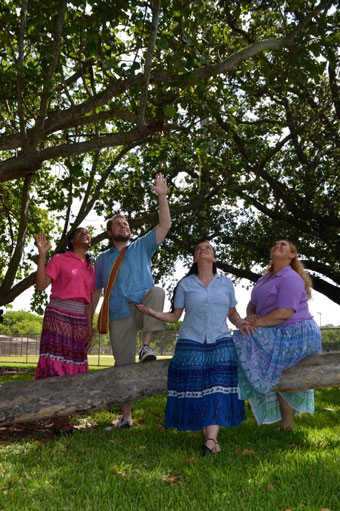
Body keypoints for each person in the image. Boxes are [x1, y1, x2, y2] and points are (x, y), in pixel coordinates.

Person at [137, 241, 249, 455]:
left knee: (217, 387)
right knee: (199, 390)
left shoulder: (226, 283)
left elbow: (232, 313)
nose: (203, 248)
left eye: (208, 247)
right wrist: (153, 313)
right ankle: (211, 441)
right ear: (195, 258)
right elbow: (175, 316)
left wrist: (241, 322)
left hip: (221, 341)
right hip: (191, 342)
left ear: (214, 258)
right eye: (198, 248)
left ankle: (211, 440)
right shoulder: (185, 284)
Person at [92, 173, 171, 429]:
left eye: (126, 224)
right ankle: (126, 418)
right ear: (109, 232)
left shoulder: (142, 246)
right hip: (117, 313)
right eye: (118, 224)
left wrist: (162, 196)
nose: (124, 226)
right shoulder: (102, 259)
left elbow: (165, 225)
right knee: (122, 365)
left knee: (158, 291)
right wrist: (89, 321)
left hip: (143, 307)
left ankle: (146, 347)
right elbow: (96, 291)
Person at [233, 240, 322, 430]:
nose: (277, 245)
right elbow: (252, 304)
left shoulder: (290, 277)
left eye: (283, 245)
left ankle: (257, 390)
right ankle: (286, 424)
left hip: (297, 332)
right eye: (274, 244)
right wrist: (250, 316)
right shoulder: (264, 279)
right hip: (276, 329)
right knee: (250, 342)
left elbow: (285, 313)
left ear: (292, 255)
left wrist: (253, 323)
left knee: (243, 338)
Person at [35, 227, 96, 434]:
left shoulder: (91, 268)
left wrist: (90, 327)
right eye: (80, 232)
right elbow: (41, 285)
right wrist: (43, 254)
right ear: (71, 239)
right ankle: (59, 422)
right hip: (58, 315)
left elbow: (88, 301)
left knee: (73, 367)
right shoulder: (60, 259)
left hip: (79, 320)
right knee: (56, 367)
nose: (85, 234)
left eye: (88, 232)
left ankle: (64, 420)